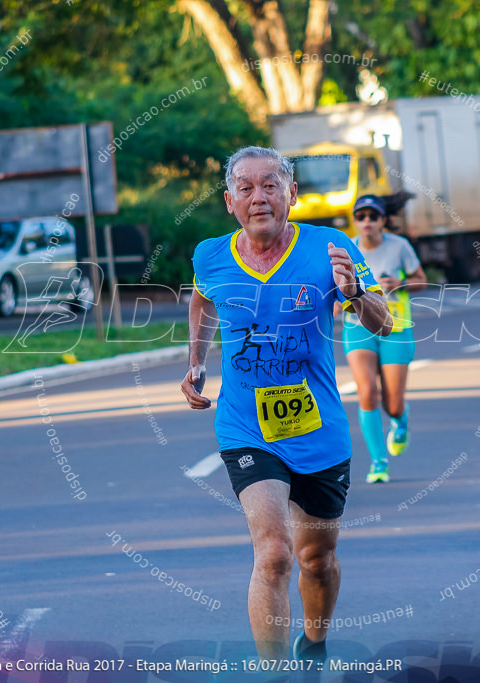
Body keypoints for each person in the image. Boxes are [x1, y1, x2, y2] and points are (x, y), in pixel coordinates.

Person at [180, 146, 391, 664]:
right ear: (230, 201)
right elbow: (203, 298)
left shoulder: (331, 246)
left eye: (270, 185)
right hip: (245, 424)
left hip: (317, 429)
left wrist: (355, 292)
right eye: (246, 188)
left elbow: (383, 322)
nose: (259, 198)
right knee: (273, 555)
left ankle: (314, 645)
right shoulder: (210, 254)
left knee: (316, 559)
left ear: (292, 194)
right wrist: (195, 361)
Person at [341, 195, 427, 483]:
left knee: (392, 404)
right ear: (355, 221)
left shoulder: (399, 246)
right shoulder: (347, 248)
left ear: (382, 220)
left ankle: (400, 419)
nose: (367, 222)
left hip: (396, 328)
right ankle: (379, 462)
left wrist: (401, 283)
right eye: (361, 216)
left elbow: (422, 280)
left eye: (372, 216)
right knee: (366, 393)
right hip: (357, 326)